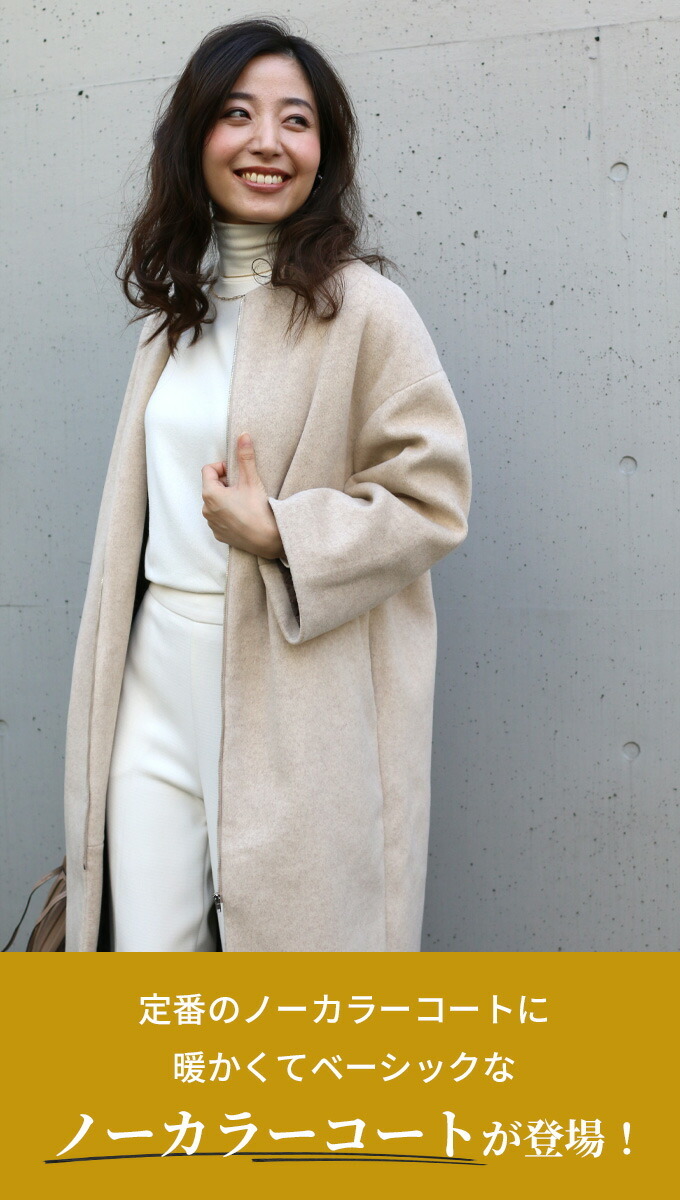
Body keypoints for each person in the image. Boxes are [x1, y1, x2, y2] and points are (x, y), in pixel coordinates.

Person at [62, 16, 472, 953]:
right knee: (146, 961)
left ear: (323, 152)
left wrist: (283, 531)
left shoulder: (364, 309)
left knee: (297, 971)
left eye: (297, 120)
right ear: (196, 136)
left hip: (293, 682)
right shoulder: (176, 311)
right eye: (238, 114)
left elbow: (433, 496)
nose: (267, 142)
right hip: (155, 667)